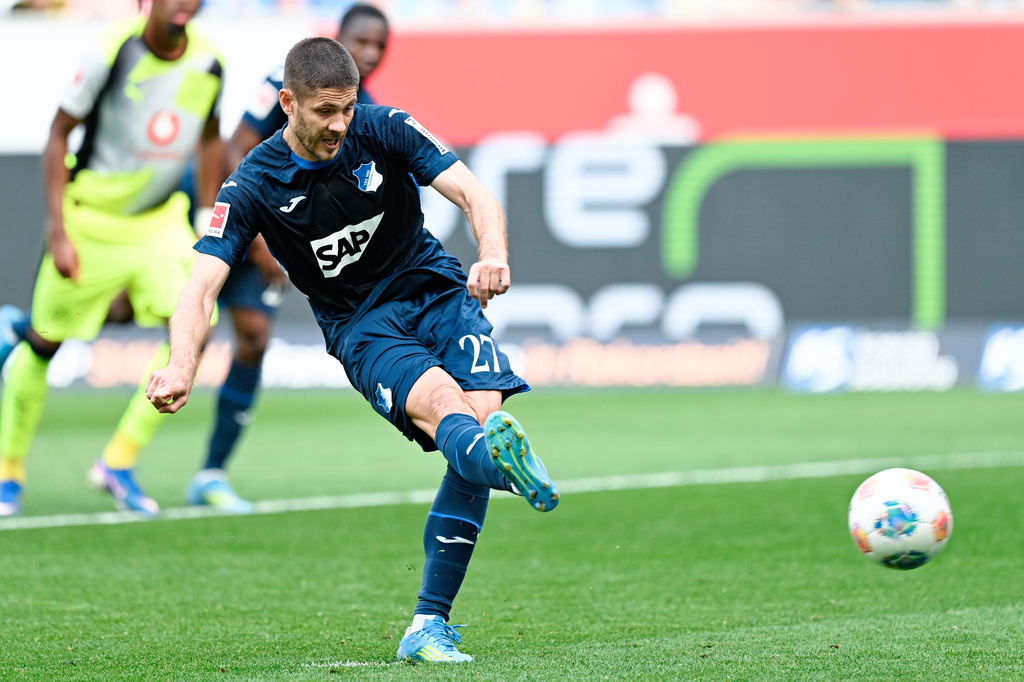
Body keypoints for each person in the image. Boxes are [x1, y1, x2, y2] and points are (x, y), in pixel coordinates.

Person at [146, 37, 560, 663]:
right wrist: (181, 365)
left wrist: (493, 253)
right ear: (288, 102)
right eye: (324, 111)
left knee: (477, 425)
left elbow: (475, 194)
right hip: (363, 328)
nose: (341, 123)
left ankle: (428, 624)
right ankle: (499, 471)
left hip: (436, 290)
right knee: (450, 409)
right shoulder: (253, 183)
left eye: (348, 107)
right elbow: (200, 288)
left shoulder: (385, 127)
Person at [0, 0, 224, 517]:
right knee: (43, 343)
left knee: (195, 323)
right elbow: (58, 135)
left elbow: (210, 138)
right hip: (91, 219)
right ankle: (9, 470)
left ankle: (118, 460)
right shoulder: (111, 49)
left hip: (158, 222)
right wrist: (59, 232)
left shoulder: (211, 60)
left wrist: (206, 216)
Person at [183, 2, 390, 513]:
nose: (368, 53)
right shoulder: (289, 81)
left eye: (379, 46)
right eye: (360, 41)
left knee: (253, 337)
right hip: (225, 212)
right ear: (337, 38)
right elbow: (237, 148)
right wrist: (260, 241)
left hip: (271, 229)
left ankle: (210, 473)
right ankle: (28, 332)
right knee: (165, 314)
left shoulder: (361, 111)